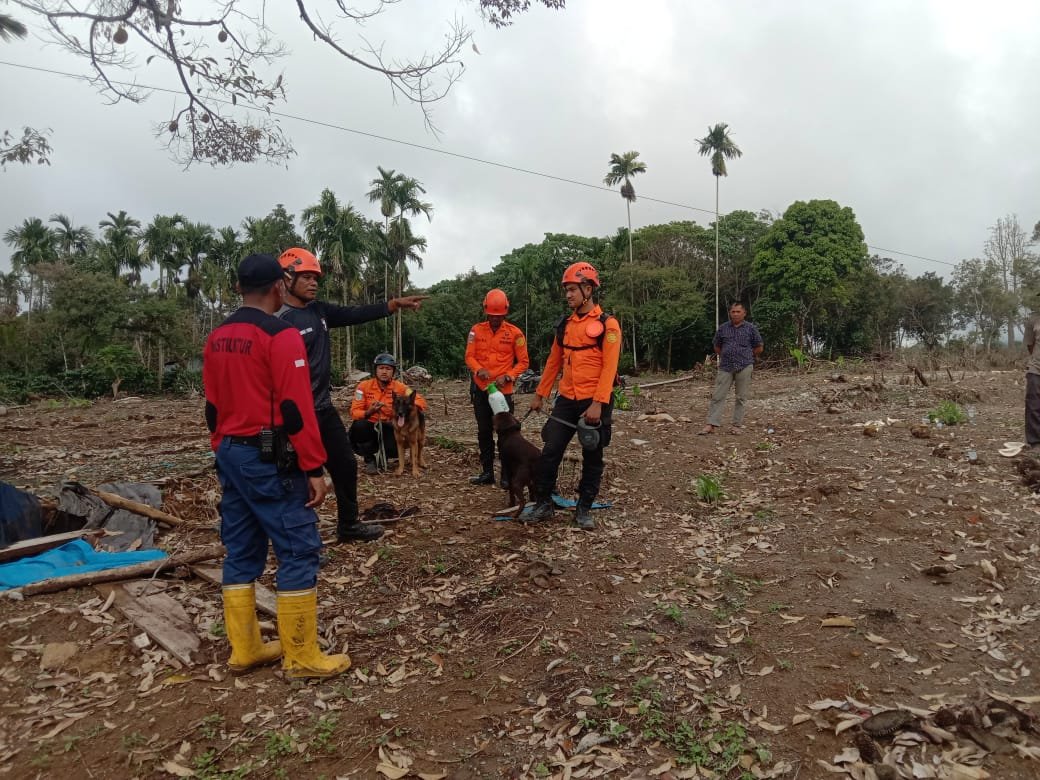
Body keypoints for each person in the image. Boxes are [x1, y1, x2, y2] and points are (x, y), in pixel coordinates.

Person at [203, 253, 348, 679]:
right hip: (269, 456)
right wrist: (314, 467)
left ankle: (245, 648)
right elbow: (296, 407)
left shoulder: (217, 337)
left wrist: (221, 447)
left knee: (242, 547)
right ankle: (302, 656)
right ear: (278, 287)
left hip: (230, 452)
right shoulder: (279, 335)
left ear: (237, 288)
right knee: (299, 548)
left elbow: (212, 405)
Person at [276, 247, 427, 543]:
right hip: (294, 412)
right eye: (306, 276)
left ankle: (348, 525)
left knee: (345, 463)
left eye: (316, 277)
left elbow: (354, 313)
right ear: (286, 278)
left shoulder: (319, 311)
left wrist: (392, 304)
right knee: (296, 474)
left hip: (322, 407)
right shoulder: (280, 320)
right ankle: (297, 537)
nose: (313, 282)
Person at [528, 262, 621, 530]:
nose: (568, 295)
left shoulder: (608, 325)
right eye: (566, 290)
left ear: (588, 289)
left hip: (595, 401)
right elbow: (553, 362)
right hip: (566, 399)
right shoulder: (564, 325)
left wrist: (597, 403)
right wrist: (540, 394)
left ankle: (583, 509)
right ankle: (544, 503)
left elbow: (609, 367)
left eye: (572, 290)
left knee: (593, 454)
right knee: (550, 450)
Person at [465, 288, 530, 487]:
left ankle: (506, 475)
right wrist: (478, 370)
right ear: (486, 312)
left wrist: (509, 375)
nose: (495, 320)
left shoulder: (515, 333)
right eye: (492, 316)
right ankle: (487, 472)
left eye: (499, 316)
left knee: (506, 434)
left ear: (505, 313)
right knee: (483, 432)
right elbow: (469, 356)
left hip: (503, 393)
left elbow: (524, 362)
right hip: (481, 390)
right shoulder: (476, 330)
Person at [349, 353, 428, 473]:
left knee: (395, 448)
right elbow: (354, 412)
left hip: (389, 426)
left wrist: (406, 408)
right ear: (375, 370)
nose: (384, 372)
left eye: (388, 369)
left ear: (393, 372)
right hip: (370, 425)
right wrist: (369, 412)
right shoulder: (363, 386)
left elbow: (420, 401)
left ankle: (383, 457)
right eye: (381, 368)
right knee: (359, 426)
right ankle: (370, 459)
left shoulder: (400, 387)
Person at [699, 302, 764, 435]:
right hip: (725, 366)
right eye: (733, 311)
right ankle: (711, 424)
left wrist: (746, 355)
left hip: (744, 366)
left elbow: (759, 347)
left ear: (744, 313)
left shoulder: (751, 328)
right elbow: (717, 346)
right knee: (718, 395)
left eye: (738, 311)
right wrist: (726, 354)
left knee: (741, 397)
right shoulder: (723, 328)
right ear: (730, 313)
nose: (735, 314)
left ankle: (737, 425)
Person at [1025, 306, 1040, 448]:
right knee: (1033, 404)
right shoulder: (1033, 319)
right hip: (1036, 368)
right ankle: (1035, 442)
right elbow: (1030, 345)